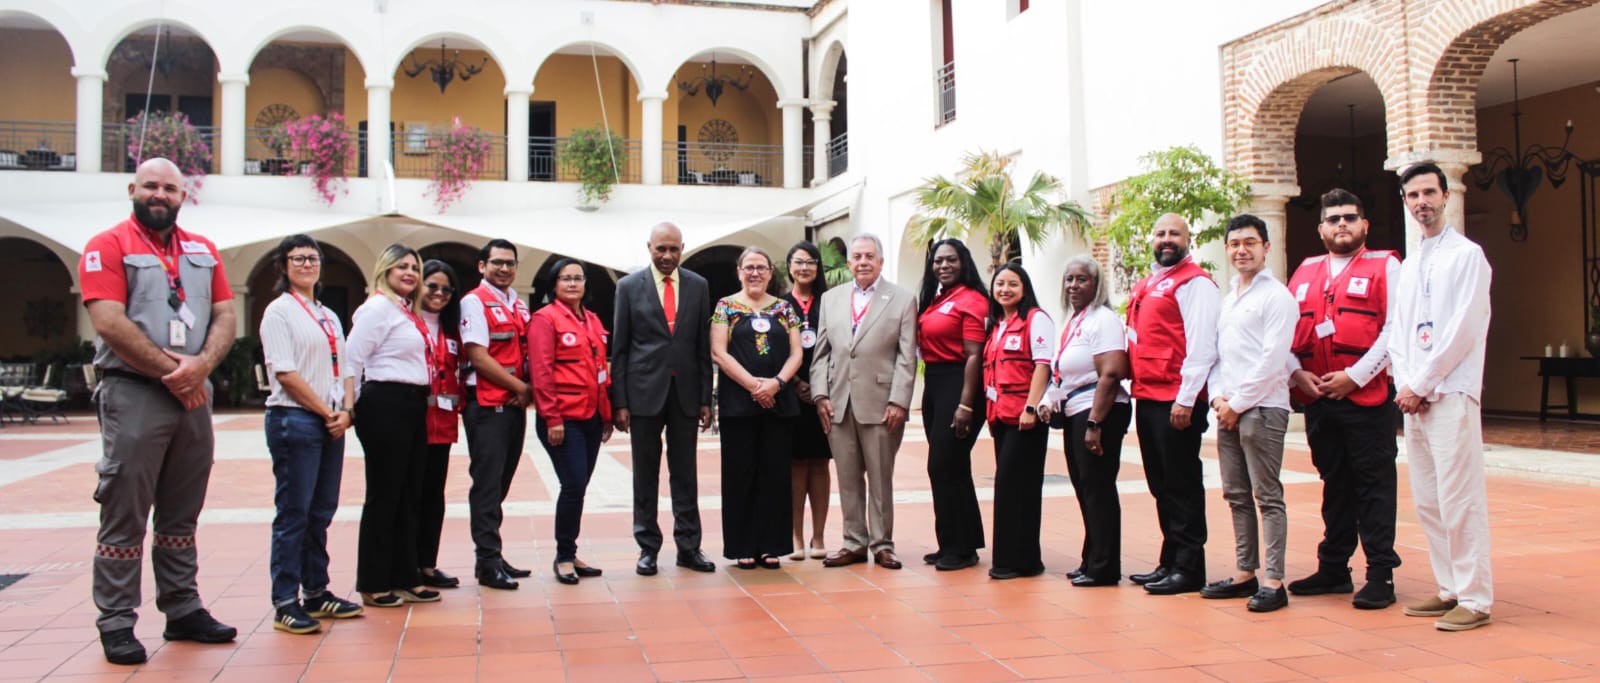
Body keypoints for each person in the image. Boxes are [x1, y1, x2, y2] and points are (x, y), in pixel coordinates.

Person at [79, 157, 240, 664]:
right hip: (135, 392)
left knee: (181, 511)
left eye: (169, 188)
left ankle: (182, 608)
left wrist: (202, 367)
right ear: (133, 189)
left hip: (193, 395)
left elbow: (224, 314)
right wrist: (175, 371)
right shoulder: (107, 246)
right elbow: (108, 321)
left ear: (182, 196)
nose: (159, 194)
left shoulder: (203, 250)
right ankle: (117, 620)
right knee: (125, 509)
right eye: (150, 185)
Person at [1285, 188, 1403, 610]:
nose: (1341, 224)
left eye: (1350, 217)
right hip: (1319, 400)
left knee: (1373, 486)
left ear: (1364, 225)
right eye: (1333, 218)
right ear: (1320, 228)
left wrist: (1354, 377)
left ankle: (1380, 576)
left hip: (1366, 399)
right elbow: (1284, 332)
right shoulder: (1305, 270)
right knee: (1335, 486)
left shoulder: (1386, 265)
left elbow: (1395, 330)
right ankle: (1334, 567)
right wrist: (1297, 373)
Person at [1388, 162, 1494, 631]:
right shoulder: (1410, 265)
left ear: (1446, 196)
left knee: (1459, 497)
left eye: (1429, 192)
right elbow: (1399, 334)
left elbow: (1463, 330)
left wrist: (1423, 383)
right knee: (1429, 500)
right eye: (1413, 195)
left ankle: (1475, 598)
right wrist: (1405, 385)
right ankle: (1449, 586)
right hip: (1416, 396)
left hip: (1450, 391)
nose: (1421, 202)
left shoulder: (1468, 256)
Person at [259, 235, 364, 635]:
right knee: (294, 513)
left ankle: (316, 591)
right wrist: (327, 413)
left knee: (321, 511)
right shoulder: (278, 312)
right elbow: (284, 372)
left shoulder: (328, 314)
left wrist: (347, 412)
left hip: (331, 421)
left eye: (313, 257)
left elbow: (348, 368)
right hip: (296, 420)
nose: (306, 264)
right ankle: (285, 600)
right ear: (283, 266)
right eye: (297, 258)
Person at [1200, 215, 1298, 613]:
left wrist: (1236, 403)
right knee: (1236, 494)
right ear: (1226, 249)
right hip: (1229, 410)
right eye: (1235, 243)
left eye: (1250, 242)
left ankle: (1274, 581)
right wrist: (1219, 399)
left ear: (1266, 247)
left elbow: (1274, 360)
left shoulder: (1277, 298)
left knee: (1267, 496)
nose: (1242, 250)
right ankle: (1245, 572)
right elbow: (1220, 357)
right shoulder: (1229, 299)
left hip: (1263, 407)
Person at [612, 222, 717, 575]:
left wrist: (706, 398)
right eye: (661, 249)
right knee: (645, 474)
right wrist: (620, 402)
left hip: (686, 394)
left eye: (674, 249)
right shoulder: (628, 287)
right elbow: (621, 349)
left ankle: (689, 546)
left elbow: (703, 347)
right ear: (649, 248)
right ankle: (648, 548)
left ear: (682, 248)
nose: (667, 256)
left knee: (685, 474)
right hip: (643, 395)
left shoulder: (698, 286)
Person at [812, 233, 918, 570]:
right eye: (857, 256)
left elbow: (907, 356)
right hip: (838, 403)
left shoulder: (901, 299)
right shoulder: (831, 299)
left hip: (881, 403)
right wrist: (820, 395)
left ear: (881, 261)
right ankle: (853, 542)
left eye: (869, 256)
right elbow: (821, 354)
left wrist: (900, 401)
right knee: (847, 477)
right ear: (849, 262)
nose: (862, 262)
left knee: (880, 477)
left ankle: (883, 544)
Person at [1127, 213, 1219, 596]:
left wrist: (1186, 398)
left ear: (1188, 239)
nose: (1166, 239)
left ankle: (1189, 567)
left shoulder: (1196, 284)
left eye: (1174, 234)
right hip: (1148, 397)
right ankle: (1170, 560)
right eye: (1160, 232)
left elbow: (1202, 347)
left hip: (1176, 400)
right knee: (1160, 484)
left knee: (1181, 485)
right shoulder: (1149, 282)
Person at [346, 243, 440, 608]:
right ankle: (373, 581)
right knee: (385, 496)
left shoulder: (405, 311)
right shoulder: (376, 309)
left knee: (409, 494)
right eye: (401, 266)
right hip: (385, 403)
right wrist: (350, 408)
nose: (409, 273)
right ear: (384, 270)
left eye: (414, 268)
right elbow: (352, 359)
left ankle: (405, 575)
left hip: (413, 404)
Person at [1039, 255, 1131, 588]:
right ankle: (1092, 559)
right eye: (1069, 279)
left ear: (1096, 284)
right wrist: (1051, 399)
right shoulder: (1076, 319)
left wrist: (1095, 423)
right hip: (1076, 409)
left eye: (1081, 279)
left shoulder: (1102, 319)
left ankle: (1105, 566)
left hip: (1099, 412)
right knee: (1085, 488)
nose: (1074, 286)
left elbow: (1111, 372)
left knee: (1098, 489)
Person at [711, 247, 804, 569]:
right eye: (748, 267)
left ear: (770, 273)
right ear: (739, 271)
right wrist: (754, 385)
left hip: (779, 402)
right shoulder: (726, 306)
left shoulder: (784, 308)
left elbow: (797, 353)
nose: (755, 273)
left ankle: (772, 545)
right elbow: (719, 353)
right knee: (740, 474)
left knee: (775, 475)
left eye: (761, 268)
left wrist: (776, 383)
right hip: (739, 404)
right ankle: (743, 545)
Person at [528, 259, 615, 584]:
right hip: (563, 418)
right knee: (573, 484)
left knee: (579, 487)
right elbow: (541, 373)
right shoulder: (544, 320)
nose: (573, 283)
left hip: (591, 416)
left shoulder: (591, 319)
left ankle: (570, 550)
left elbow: (599, 370)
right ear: (554, 284)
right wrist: (551, 418)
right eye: (566, 278)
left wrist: (606, 414)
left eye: (578, 278)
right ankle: (563, 556)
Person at [458, 239, 532, 590]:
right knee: (487, 486)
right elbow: (478, 355)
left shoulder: (517, 303)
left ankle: (493, 552)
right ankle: (486, 562)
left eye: (510, 263)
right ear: (481, 265)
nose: (504, 269)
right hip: (487, 407)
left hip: (512, 408)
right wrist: (520, 387)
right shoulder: (473, 302)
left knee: (500, 483)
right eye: (497, 262)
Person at [915, 239, 989, 571]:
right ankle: (957, 543)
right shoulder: (937, 299)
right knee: (953, 468)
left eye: (951, 260)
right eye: (937, 261)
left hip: (961, 385)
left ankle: (958, 549)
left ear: (964, 262)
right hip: (935, 384)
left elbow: (975, 355)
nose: (943, 266)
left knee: (942, 466)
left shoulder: (973, 300)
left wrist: (966, 405)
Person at [979, 262, 1054, 580]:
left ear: (1024, 288)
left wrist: (1032, 407)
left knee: (1016, 487)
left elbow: (1042, 365)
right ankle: (1020, 558)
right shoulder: (997, 324)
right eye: (999, 284)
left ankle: (1016, 560)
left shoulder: (1036, 319)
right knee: (1010, 487)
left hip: (1025, 418)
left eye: (1012, 284)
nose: (1005, 290)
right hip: (1001, 417)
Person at [780, 242, 832, 560]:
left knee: (821, 463)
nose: (804, 268)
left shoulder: (829, 302)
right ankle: (796, 536)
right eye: (798, 262)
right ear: (789, 267)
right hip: (791, 394)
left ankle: (819, 536)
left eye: (810, 262)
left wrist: (820, 387)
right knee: (796, 464)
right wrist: (797, 383)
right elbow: (775, 349)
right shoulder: (780, 305)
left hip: (824, 396)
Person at [418, 259, 464, 589]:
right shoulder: (408, 322)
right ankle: (407, 563)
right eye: (432, 286)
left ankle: (427, 564)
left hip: (443, 425)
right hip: (412, 425)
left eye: (446, 289)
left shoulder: (450, 328)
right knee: (411, 497)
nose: (439, 293)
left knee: (434, 497)